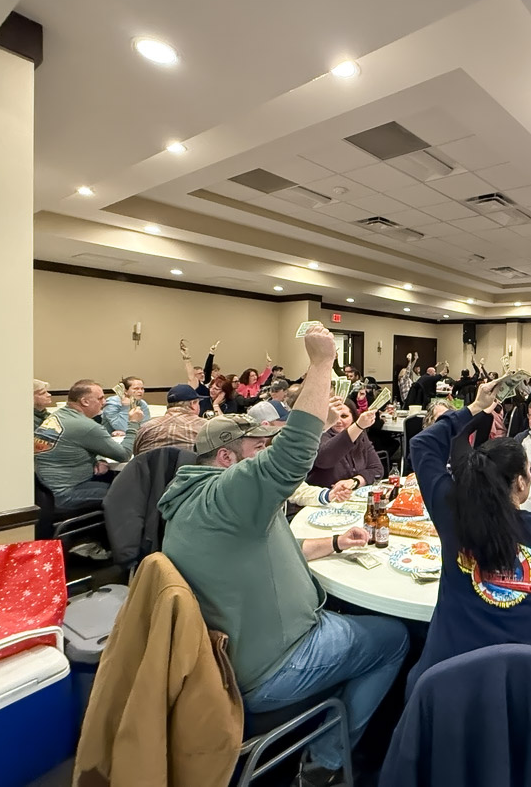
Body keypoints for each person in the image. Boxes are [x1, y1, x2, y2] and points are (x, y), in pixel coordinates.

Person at [159, 326, 409, 786]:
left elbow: (273, 547)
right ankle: (326, 761)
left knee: (352, 610)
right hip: (274, 665)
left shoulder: (203, 502)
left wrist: (334, 543)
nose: (267, 452)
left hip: (237, 649)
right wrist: (320, 364)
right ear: (227, 459)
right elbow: (294, 453)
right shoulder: (228, 495)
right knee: (395, 638)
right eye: (258, 448)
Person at [406, 378, 531, 694]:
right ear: (523, 482)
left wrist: (474, 407)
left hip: (444, 684)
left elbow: (422, 445)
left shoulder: (453, 514)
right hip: (529, 688)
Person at [35, 379, 142, 509]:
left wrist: (97, 458)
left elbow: (77, 444)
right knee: (134, 492)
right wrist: (133, 424)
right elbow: (124, 455)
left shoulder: (57, 416)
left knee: (113, 482)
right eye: (100, 398)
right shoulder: (86, 426)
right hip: (67, 494)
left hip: (46, 492)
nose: (104, 402)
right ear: (85, 402)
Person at [306, 399, 384, 492]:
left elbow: (377, 470)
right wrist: (358, 426)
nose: (338, 421)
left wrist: (354, 482)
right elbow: (324, 460)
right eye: (334, 416)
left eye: (344, 416)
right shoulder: (319, 434)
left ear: (353, 418)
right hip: (322, 496)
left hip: (352, 496)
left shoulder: (360, 435)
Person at [133, 384, 206, 454]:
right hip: (189, 465)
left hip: (152, 466)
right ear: (192, 404)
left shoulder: (146, 428)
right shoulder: (205, 427)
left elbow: (136, 456)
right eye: (198, 403)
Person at [181, 338, 220, 416]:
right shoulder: (195, 385)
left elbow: (208, 368)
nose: (202, 375)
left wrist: (211, 353)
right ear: (195, 375)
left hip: (210, 411)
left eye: (202, 373)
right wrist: (187, 359)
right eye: (199, 374)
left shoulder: (206, 382)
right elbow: (191, 375)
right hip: (199, 413)